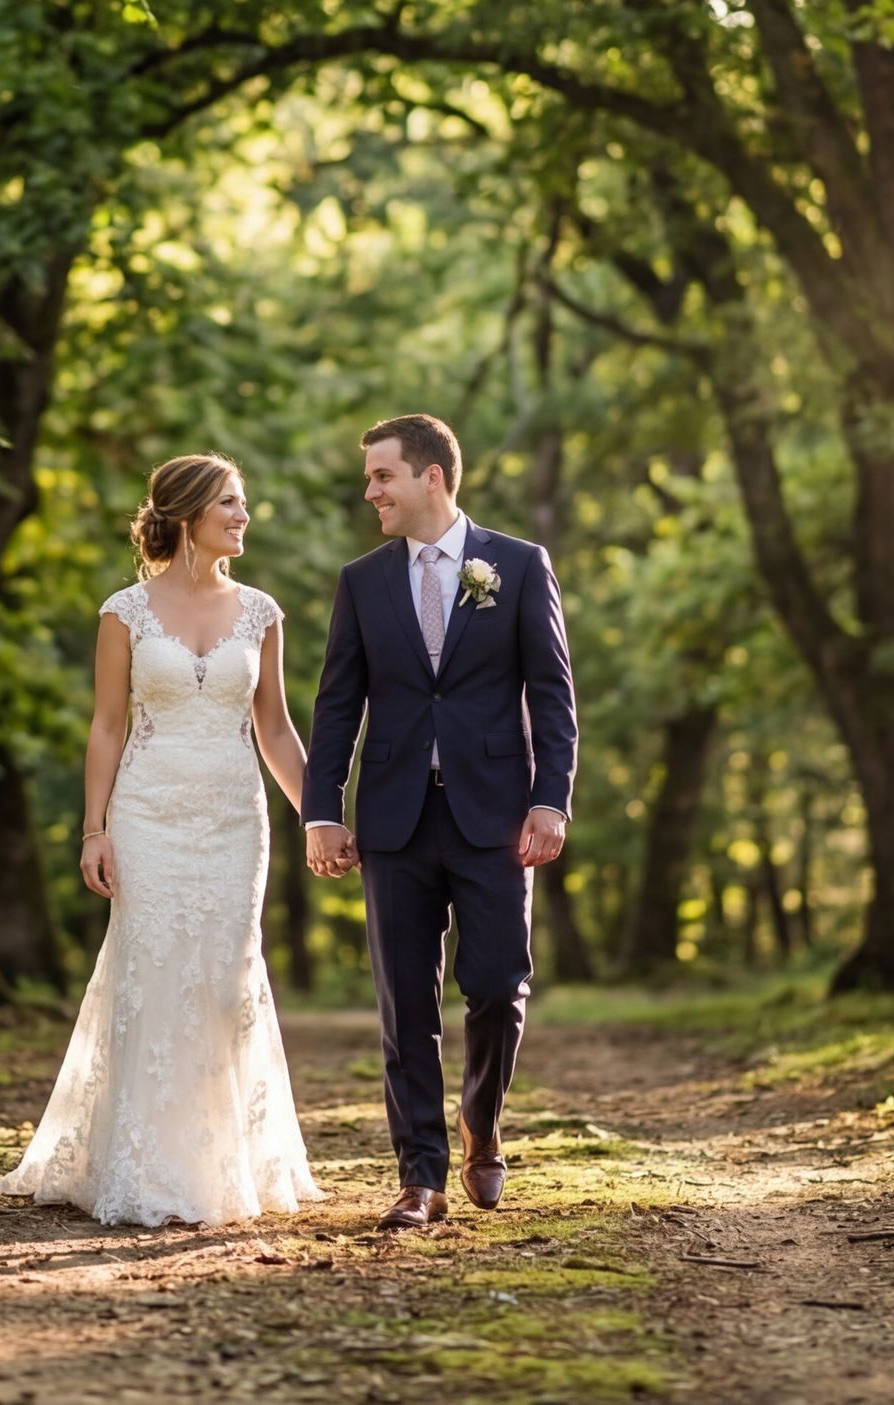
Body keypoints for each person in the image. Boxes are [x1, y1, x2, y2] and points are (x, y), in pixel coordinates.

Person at [0, 453, 325, 1226]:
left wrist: (323, 815)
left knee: (223, 979)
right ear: (187, 514)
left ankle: (220, 1166)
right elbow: (108, 725)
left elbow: (274, 728)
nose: (244, 516)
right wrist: (94, 827)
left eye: (244, 503)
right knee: (149, 968)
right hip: (147, 815)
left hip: (235, 819)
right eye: (231, 504)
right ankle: (139, 1163)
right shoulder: (125, 610)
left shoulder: (262, 612)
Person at [302, 413, 579, 1229]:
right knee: (404, 1004)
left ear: (431, 477)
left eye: (382, 476)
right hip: (393, 819)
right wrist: (323, 810)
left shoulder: (519, 567)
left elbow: (554, 696)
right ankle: (418, 1173)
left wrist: (550, 797)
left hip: (496, 814)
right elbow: (336, 704)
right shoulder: (362, 580)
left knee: (497, 983)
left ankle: (481, 1126)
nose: (370, 492)